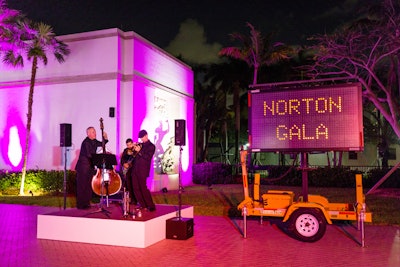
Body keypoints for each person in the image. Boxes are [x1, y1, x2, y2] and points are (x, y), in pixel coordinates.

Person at [75, 126, 107, 209]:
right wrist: (98, 160)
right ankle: (81, 205)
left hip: (90, 167)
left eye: (95, 132)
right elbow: (90, 155)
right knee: (82, 186)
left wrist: (105, 138)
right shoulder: (86, 142)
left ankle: (87, 203)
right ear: (88, 133)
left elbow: (102, 144)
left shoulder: (94, 141)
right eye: (93, 132)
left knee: (89, 186)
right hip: (83, 167)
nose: (95, 133)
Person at [131, 129, 156, 211]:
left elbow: (147, 157)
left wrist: (140, 151)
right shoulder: (140, 144)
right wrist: (133, 148)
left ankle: (151, 205)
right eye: (140, 138)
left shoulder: (151, 146)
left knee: (143, 188)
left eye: (142, 137)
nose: (141, 139)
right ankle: (143, 205)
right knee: (135, 188)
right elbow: (133, 155)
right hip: (135, 169)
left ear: (146, 135)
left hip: (143, 170)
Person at [120, 138, 137, 204]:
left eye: (130, 144)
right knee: (127, 185)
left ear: (132, 143)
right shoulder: (125, 150)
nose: (129, 146)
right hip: (127, 170)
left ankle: (134, 200)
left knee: (133, 185)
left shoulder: (136, 150)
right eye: (127, 145)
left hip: (134, 170)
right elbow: (122, 159)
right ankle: (129, 199)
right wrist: (124, 164)